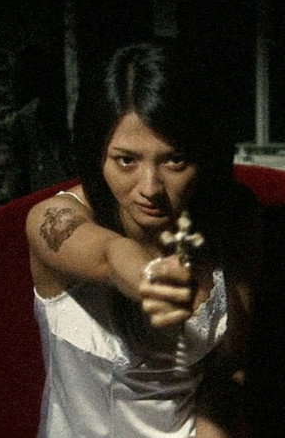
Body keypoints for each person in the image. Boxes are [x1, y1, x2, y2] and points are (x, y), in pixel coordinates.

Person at [26, 39, 261, 437]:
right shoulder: (55, 218)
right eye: (126, 160)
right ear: (96, 154)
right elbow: (107, 254)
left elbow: (228, 368)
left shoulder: (233, 221)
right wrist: (143, 273)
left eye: (174, 159)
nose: (150, 188)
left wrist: (214, 427)